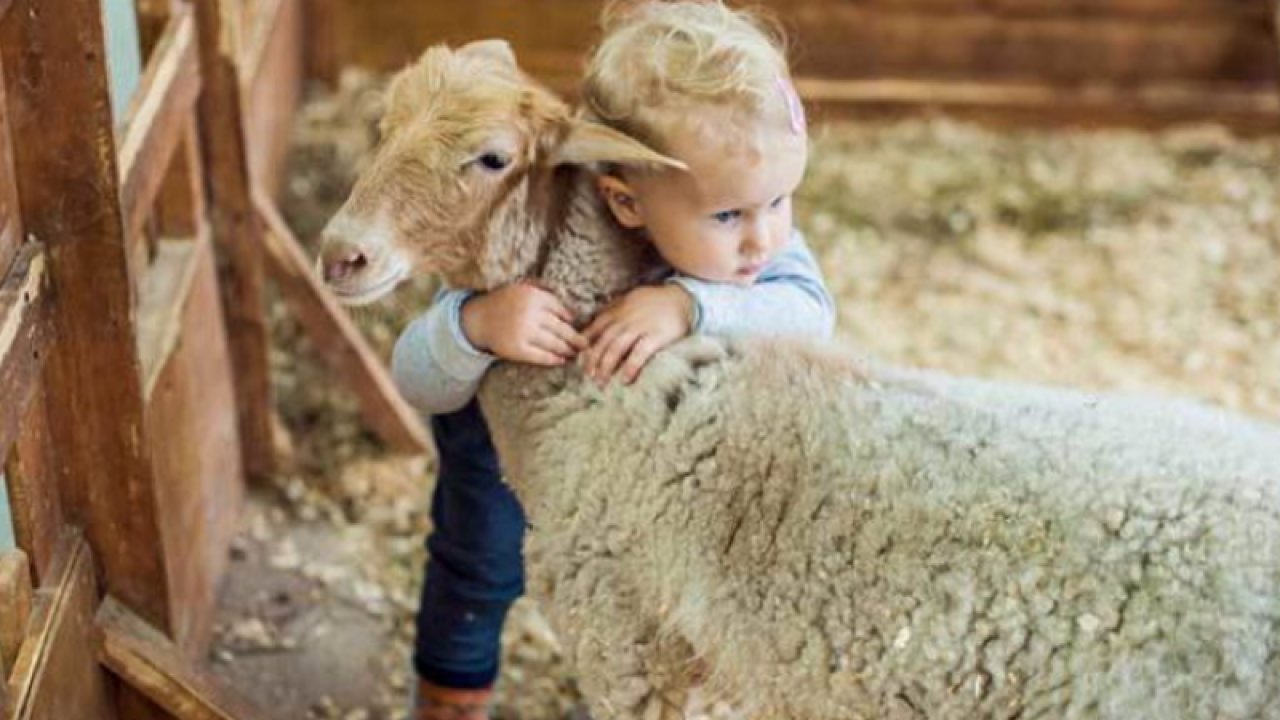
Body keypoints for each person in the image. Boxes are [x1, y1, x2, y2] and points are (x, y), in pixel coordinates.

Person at [393, 2, 835, 717]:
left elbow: (812, 317)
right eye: (729, 216)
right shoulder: (536, 227)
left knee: (651, 596)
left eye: (782, 200)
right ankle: (449, 695)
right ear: (624, 202)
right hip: (509, 459)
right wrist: (475, 325)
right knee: (476, 569)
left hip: (646, 481)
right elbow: (415, 377)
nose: (764, 239)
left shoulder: (762, 255)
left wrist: (690, 305)